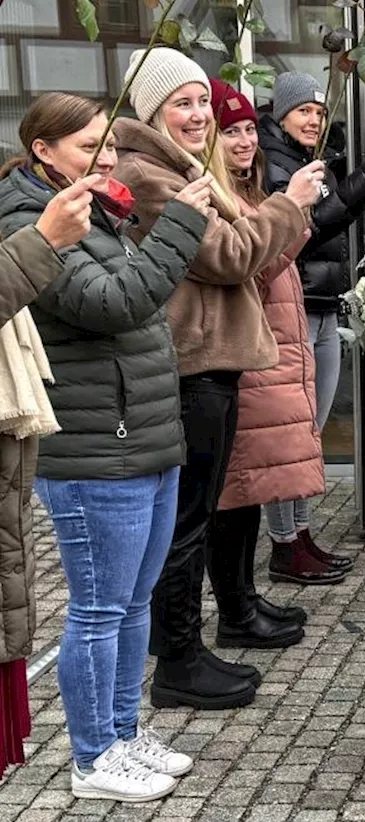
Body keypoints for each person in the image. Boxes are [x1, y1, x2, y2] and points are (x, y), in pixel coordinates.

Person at [0, 92, 212, 801]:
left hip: (143, 433)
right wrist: (181, 223)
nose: (109, 157)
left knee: (134, 602)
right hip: (95, 446)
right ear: (44, 152)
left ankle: (124, 730)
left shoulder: (93, 206)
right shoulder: (34, 218)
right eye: (91, 145)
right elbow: (114, 303)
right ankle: (93, 757)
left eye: (110, 143)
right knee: (98, 608)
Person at [111, 47, 325, 710]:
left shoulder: (180, 168)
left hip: (212, 360)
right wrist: (289, 204)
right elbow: (230, 257)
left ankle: (194, 641)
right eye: (185, 103)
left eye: (203, 101)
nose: (200, 114)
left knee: (199, 513)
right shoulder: (151, 176)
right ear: (151, 110)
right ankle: (178, 659)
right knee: (185, 521)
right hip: (191, 364)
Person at [259, 71, 365, 583]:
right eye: (303, 111)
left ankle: (300, 535)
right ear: (281, 114)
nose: (314, 119)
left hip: (321, 305)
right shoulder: (275, 165)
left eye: (319, 112)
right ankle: (284, 543)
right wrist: (357, 191)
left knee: (309, 432)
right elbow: (300, 234)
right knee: (289, 436)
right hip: (290, 308)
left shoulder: (307, 161)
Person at [206, 77, 320, 643]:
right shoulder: (217, 199)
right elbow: (248, 274)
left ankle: (245, 600)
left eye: (251, 128)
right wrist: (290, 214)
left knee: (247, 490)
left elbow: (265, 263)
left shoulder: (245, 195)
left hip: (260, 349)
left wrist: (291, 226)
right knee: (234, 492)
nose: (246, 141)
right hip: (243, 355)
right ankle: (235, 611)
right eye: (231, 131)